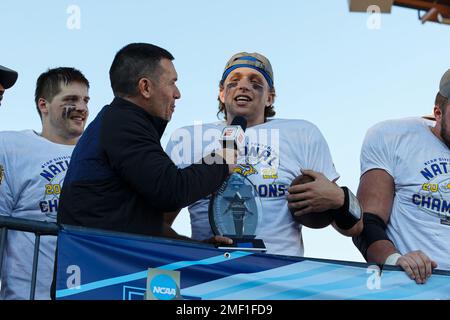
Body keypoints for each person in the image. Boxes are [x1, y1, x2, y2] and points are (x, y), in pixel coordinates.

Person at [165, 52, 363, 257]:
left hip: (277, 279)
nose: (243, 86)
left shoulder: (302, 133)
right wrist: (195, 248)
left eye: (255, 81)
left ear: (270, 97)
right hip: (210, 276)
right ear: (222, 94)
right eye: (234, 81)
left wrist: (340, 199)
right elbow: (156, 224)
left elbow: (354, 228)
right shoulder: (189, 138)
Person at [58, 43, 234, 244]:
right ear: (145, 87)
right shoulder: (123, 124)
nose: (177, 94)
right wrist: (221, 160)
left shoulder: (119, 122)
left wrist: (196, 247)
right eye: (172, 83)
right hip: (100, 267)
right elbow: (171, 190)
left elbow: (138, 223)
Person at [353, 69, 450, 284]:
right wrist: (395, 260)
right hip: (414, 285)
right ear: (438, 113)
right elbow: (365, 222)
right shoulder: (394, 136)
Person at [0, 67, 90, 299]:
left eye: (85, 100)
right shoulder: (10, 147)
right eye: (71, 99)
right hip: (26, 294)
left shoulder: (101, 155)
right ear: (44, 105)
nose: (82, 107)